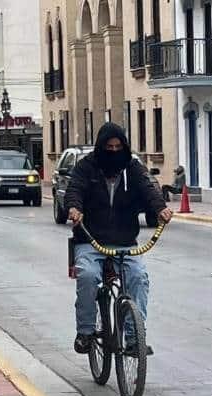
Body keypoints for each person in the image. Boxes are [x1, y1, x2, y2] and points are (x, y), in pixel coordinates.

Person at [65, 122, 173, 355]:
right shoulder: (87, 167)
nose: (113, 151)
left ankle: (135, 339)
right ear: (101, 147)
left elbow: (148, 188)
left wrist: (160, 207)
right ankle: (85, 332)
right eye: (108, 147)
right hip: (90, 240)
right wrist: (74, 208)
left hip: (125, 241)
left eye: (118, 146)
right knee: (88, 276)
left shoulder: (131, 168)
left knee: (138, 277)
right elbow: (74, 189)